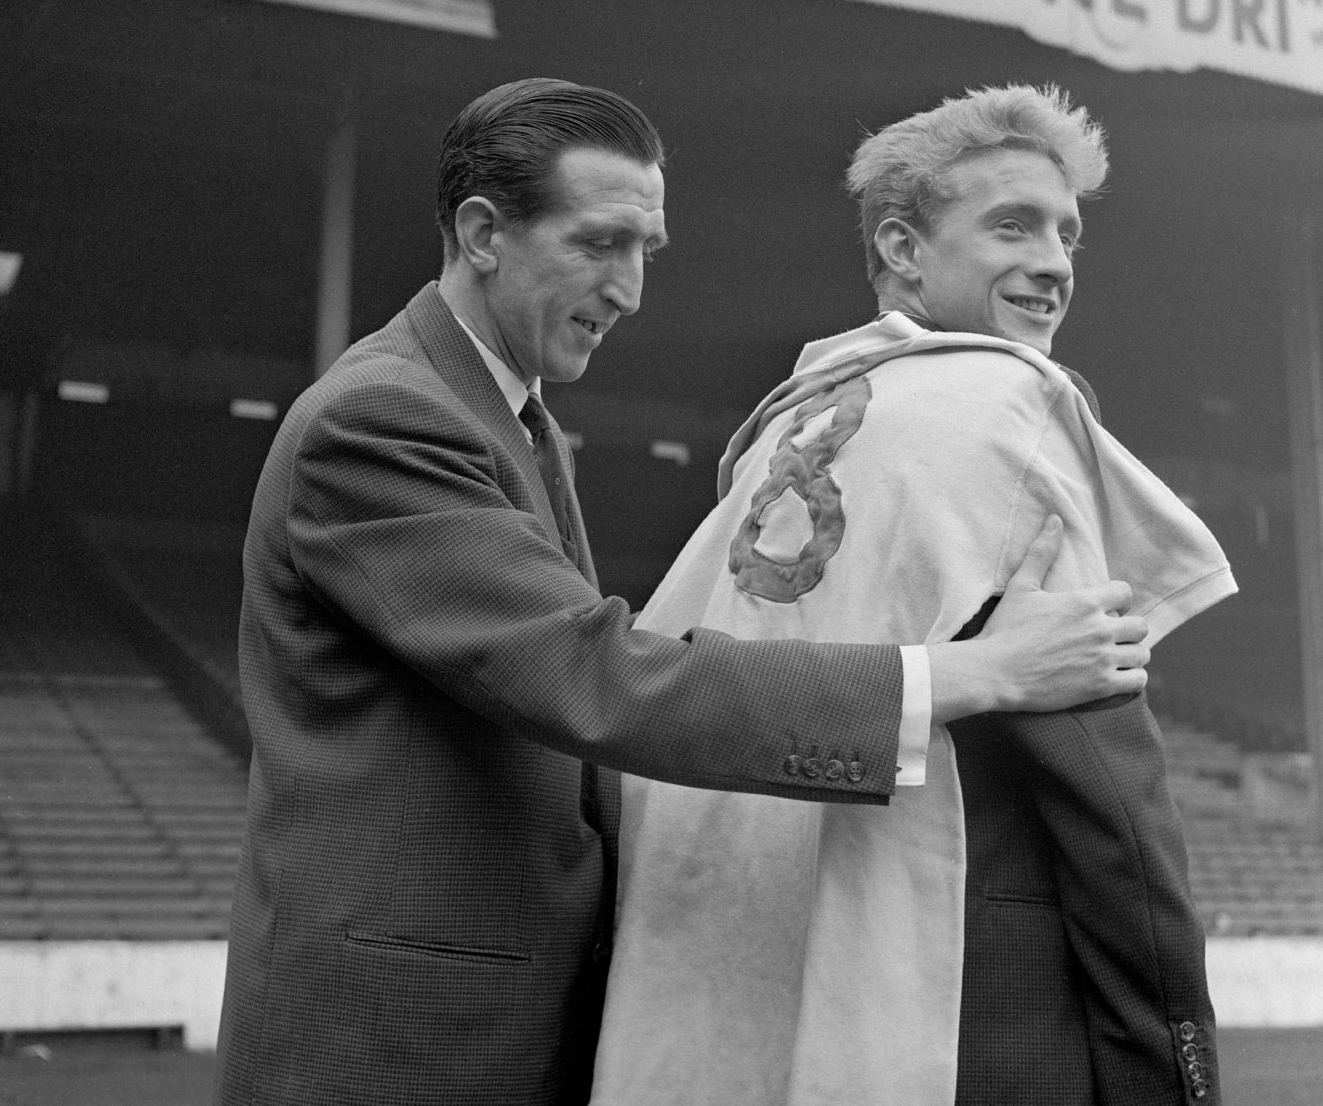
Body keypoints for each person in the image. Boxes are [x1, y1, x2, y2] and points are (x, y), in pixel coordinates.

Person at [213, 78, 1152, 1106]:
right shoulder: (386, 419)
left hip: (486, 1012)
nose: (630, 289)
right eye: (600, 243)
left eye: (646, 251)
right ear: (483, 231)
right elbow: (591, 673)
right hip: (401, 1036)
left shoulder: (511, 421)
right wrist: (957, 675)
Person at [591, 85, 1234, 1106]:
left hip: (725, 972)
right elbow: (1108, 784)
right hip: (962, 1000)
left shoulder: (775, 433)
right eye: (1012, 224)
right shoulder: (1010, 406)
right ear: (901, 247)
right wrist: (1172, 1064)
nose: (1057, 262)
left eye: (1068, 233)